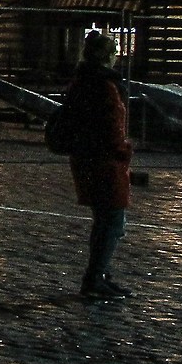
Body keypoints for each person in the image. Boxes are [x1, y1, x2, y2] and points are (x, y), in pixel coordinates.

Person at [55, 27, 134, 300]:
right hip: (105, 160)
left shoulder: (83, 81)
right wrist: (124, 150)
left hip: (88, 157)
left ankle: (101, 274)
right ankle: (95, 276)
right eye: (114, 53)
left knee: (106, 219)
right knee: (112, 220)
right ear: (107, 56)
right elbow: (111, 126)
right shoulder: (104, 85)